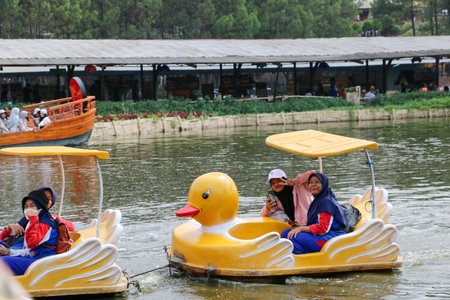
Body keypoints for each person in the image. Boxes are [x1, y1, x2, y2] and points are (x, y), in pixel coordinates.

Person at [281, 172, 347, 254]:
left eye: (317, 182)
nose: (313, 185)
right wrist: (301, 226)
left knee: (292, 237)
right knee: (285, 233)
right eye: (311, 182)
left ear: (323, 184)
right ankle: (303, 253)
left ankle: (303, 259)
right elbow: (316, 223)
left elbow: (323, 228)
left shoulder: (326, 201)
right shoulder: (317, 200)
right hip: (322, 235)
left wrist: (301, 229)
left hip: (330, 238)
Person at [0, 190, 59, 276]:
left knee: (3, 262)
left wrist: (33, 219)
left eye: (32, 206)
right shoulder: (28, 221)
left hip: (43, 263)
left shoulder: (45, 224)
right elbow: (29, 251)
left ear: (40, 206)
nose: (28, 209)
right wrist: (9, 252)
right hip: (31, 257)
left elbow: (31, 244)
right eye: (26, 206)